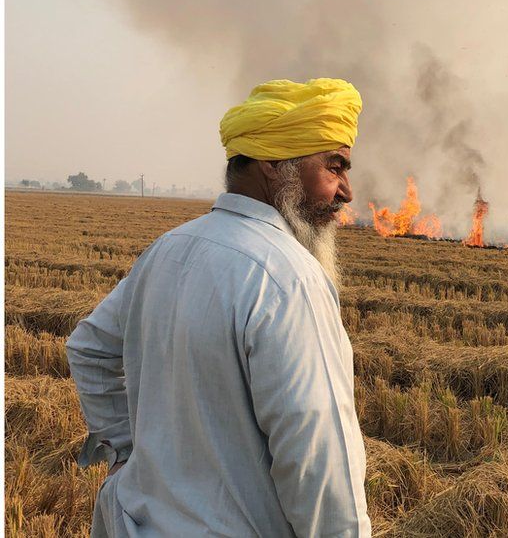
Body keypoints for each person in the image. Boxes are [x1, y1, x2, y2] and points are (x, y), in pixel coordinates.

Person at [66, 78, 371, 537]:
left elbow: (90, 347)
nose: (346, 191)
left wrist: (127, 452)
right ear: (274, 164)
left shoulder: (167, 248)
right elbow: (320, 468)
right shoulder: (289, 280)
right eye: (335, 166)